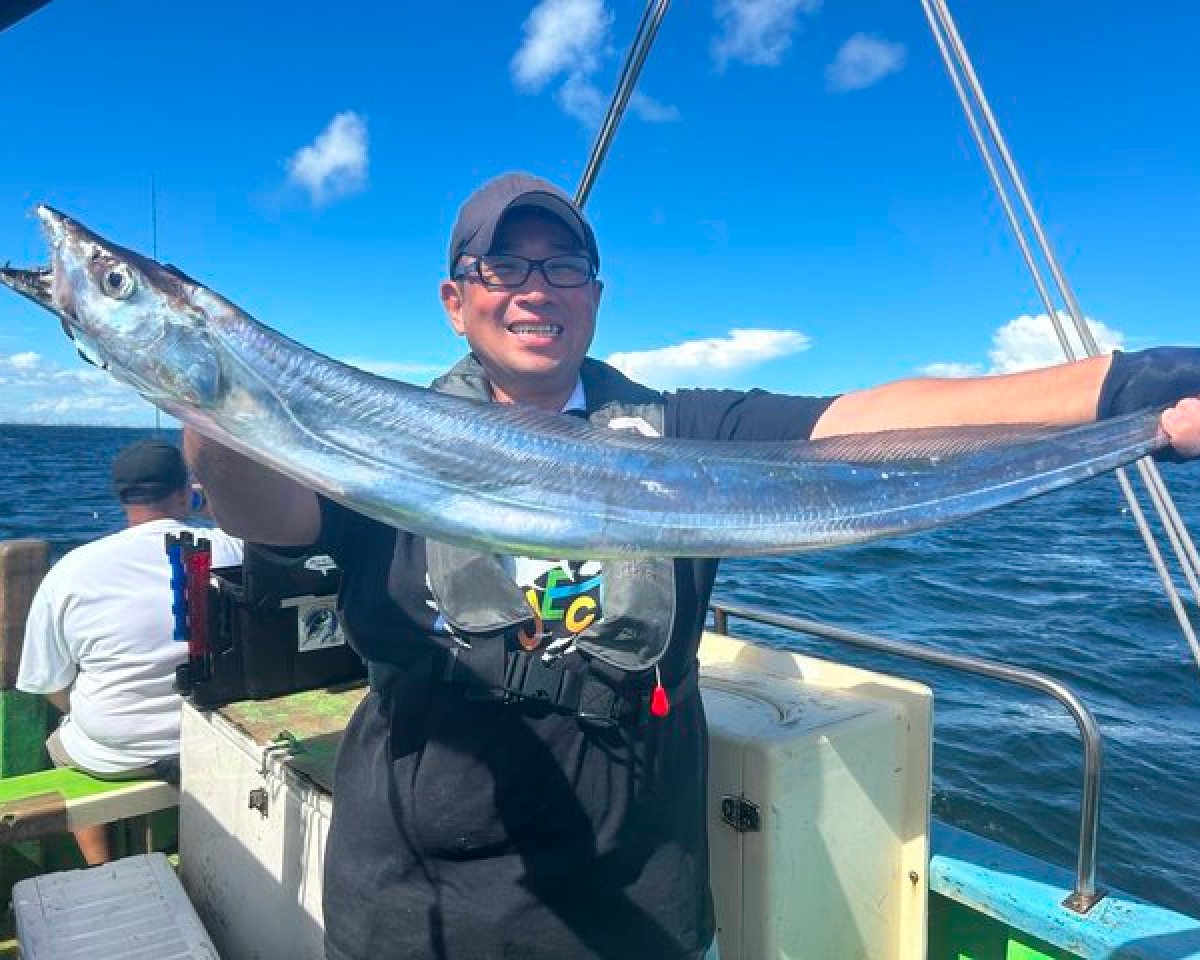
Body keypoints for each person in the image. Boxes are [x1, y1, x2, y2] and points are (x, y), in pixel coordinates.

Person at [183, 172, 1200, 960]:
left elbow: (877, 417)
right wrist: (212, 399)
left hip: (641, 905)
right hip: (420, 911)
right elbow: (264, 509)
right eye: (506, 268)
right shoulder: (381, 438)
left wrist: (1140, 393)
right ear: (457, 300)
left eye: (563, 267)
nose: (537, 290)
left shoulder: (686, 432)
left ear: (595, 295)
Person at [17, 439, 243, 865]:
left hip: (113, 755)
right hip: (212, 740)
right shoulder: (228, 547)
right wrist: (209, 505)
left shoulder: (71, 569)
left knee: (61, 736)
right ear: (187, 491)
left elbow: (46, 683)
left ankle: (101, 867)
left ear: (121, 498)